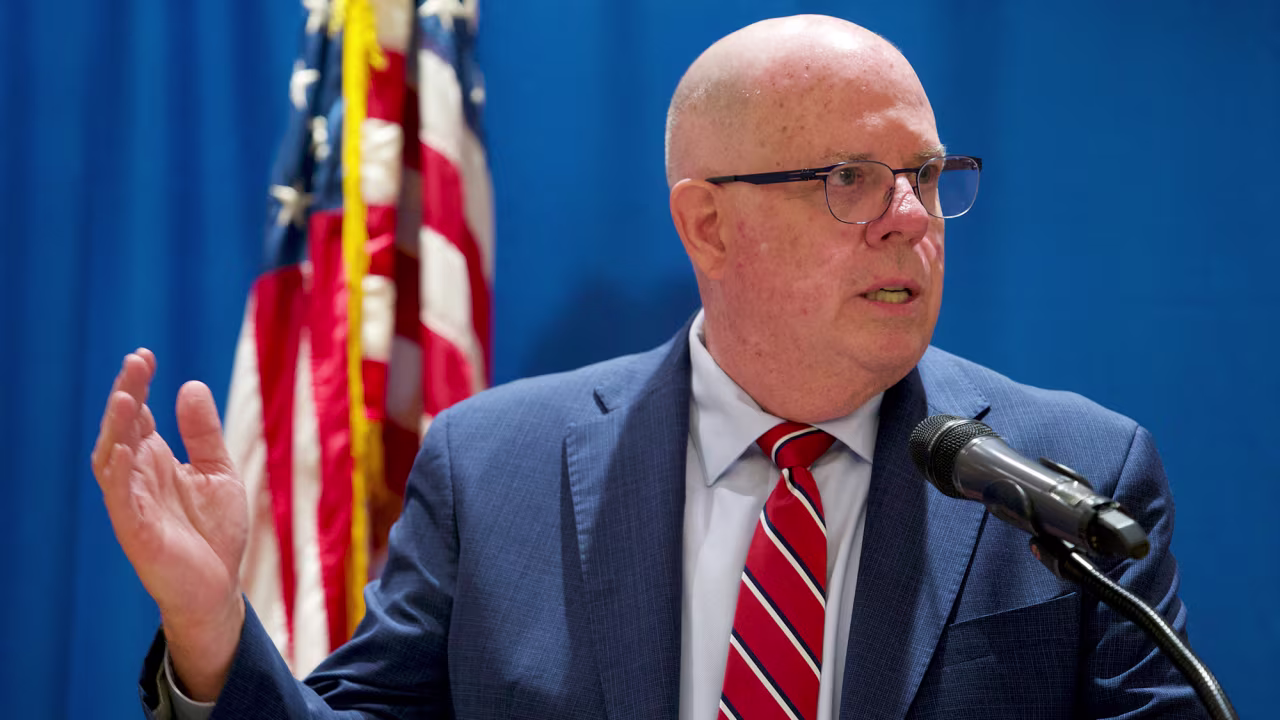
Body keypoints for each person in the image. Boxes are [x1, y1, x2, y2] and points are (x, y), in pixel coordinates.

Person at [92, 14, 1205, 720]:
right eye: (851, 178)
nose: (910, 219)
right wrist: (209, 633)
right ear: (706, 225)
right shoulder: (493, 470)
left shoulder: (1071, 473)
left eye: (924, 172)